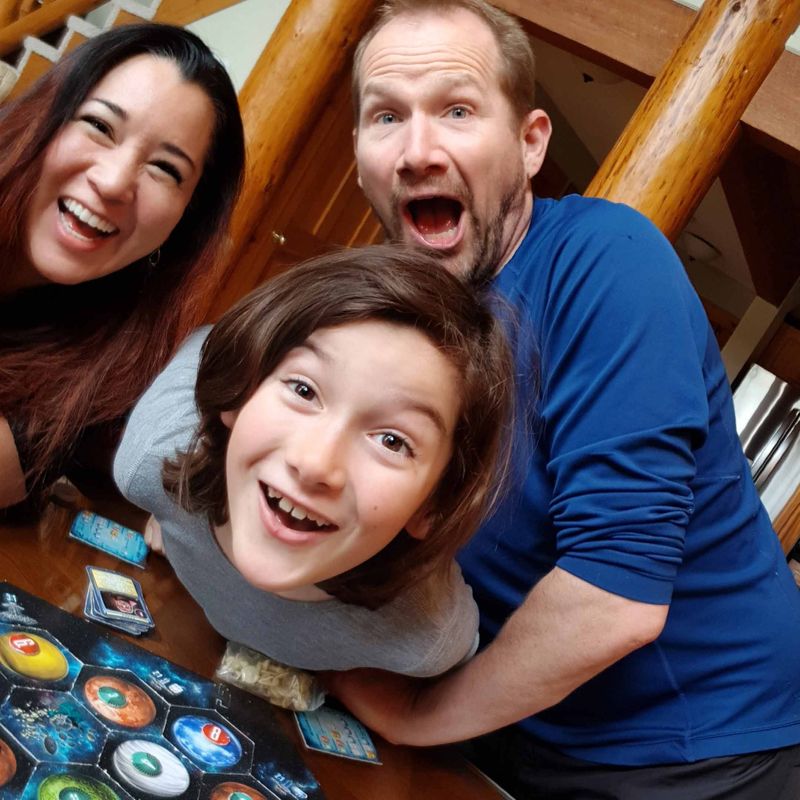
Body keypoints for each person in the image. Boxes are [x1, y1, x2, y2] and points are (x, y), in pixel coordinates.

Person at [326, 1, 800, 796]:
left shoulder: (606, 260)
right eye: (385, 117)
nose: (416, 150)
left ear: (531, 141)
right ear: (361, 153)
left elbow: (611, 600)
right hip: (522, 723)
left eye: (456, 109)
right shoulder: (392, 306)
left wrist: (418, 715)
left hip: (707, 754)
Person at [113, 245, 513, 677]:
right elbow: (204, 347)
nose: (316, 464)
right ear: (238, 390)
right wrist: (169, 509)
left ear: (433, 505)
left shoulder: (423, 637)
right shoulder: (150, 458)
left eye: (393, 441)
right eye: (304, 390)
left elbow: (464, 641)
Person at [0, 23, 245, 512]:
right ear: (42, 119)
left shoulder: (104, 371)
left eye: (165, 169)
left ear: (184, 221)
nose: (114, 183)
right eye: (100, 126)